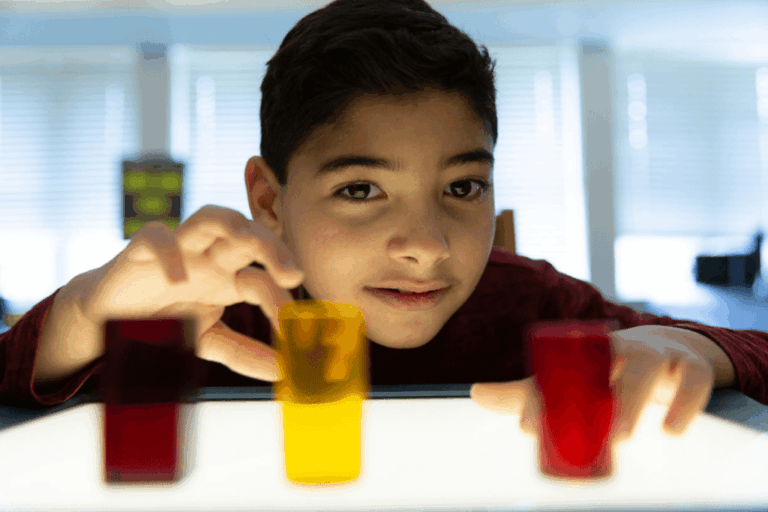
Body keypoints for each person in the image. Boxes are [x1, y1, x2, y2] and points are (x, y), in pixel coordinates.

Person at [1, 0, 767, 448]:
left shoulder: (534, 304)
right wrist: (82, 313)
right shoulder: (197, 313)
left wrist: (686, 342)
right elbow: (13, 377)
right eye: (362, 189)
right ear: (269, 201)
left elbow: (752, 353)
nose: (428, 247)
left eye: (463, 186)